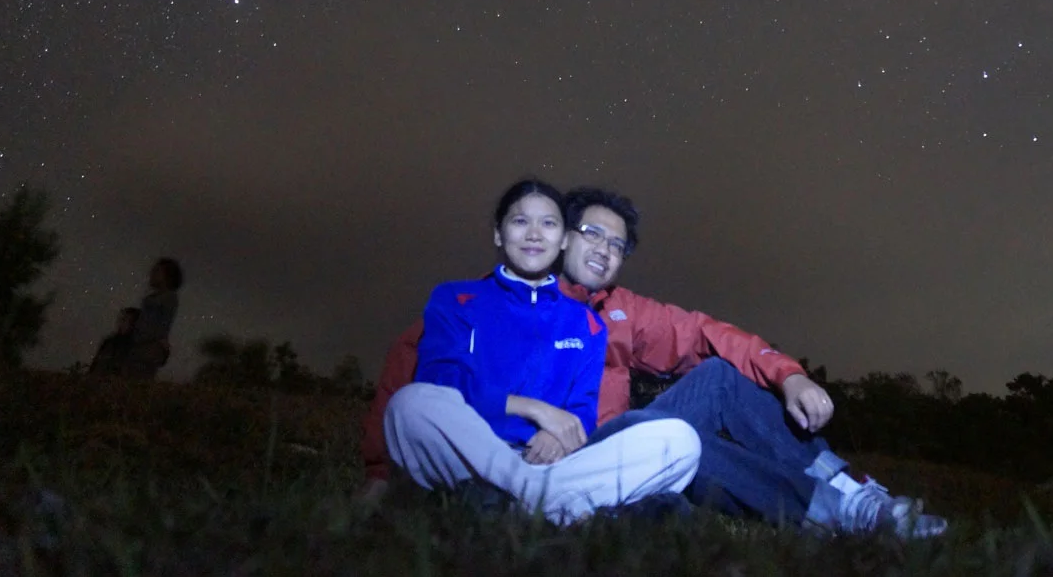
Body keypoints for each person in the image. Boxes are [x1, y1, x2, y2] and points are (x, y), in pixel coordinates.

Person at [363, 186, 946, 538]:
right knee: (670, 467)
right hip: (527, 449)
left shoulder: (620, 313)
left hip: (607, 441)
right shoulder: (485, 300)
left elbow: (705, 333)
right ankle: (830, 517)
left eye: (617, 245)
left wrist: (787, 372)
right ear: (561, 237)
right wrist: (378, 476)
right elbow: (412, 375)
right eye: (592, 233)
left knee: (714, 378)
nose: (604, 250)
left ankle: (852, 494)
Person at [381, 179, 701, 525]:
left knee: (680, 441)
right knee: (410, 405)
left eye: (548, 223)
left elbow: (582, 409)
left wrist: (558, 437)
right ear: (498, 234)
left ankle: (512, 501)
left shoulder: (587, 323)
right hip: (472, 449)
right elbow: (440, 381)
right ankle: (554, 506)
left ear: (563, 239)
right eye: (520, 222)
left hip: (553, 464)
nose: (534, 234)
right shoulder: (456, 299)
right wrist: (535, 411)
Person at [124, 257, 183, 379]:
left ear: (167, 276)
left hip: (148, 348)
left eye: (157, 271)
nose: (151, 274)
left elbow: (159, 326)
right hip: (139, 348)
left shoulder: (168, 298)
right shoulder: (152, 299)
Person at [88, 307, 140, 376]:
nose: (120, 323)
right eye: (120, 320)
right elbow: (96, 365)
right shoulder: (109, 343)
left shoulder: (136, 346)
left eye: (124, 320)